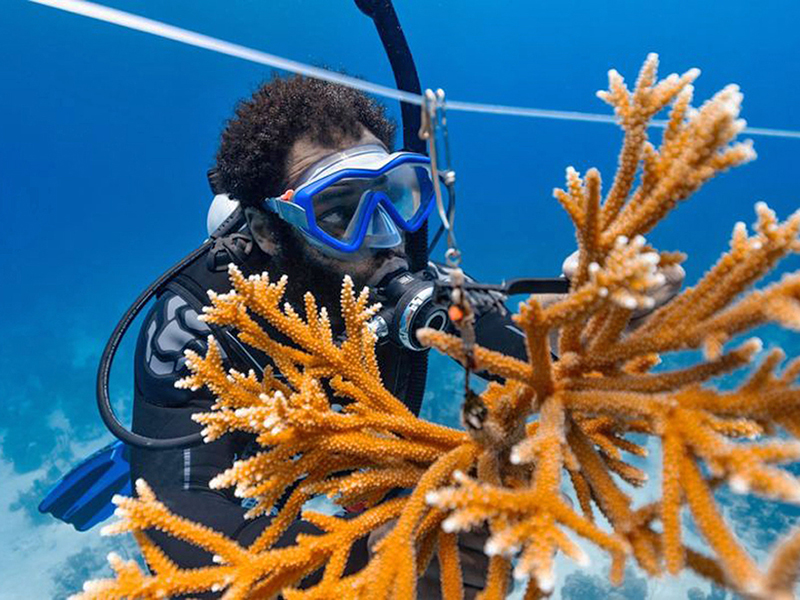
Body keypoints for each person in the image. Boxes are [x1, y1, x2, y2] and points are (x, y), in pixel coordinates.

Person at [129, 75, 684, 598]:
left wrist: (589, 321)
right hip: (243, 455)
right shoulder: (195, 323)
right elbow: (177, 528)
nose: (385, 232)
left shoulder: (403, 280)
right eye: (338, 212)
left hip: (353, 454)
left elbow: (519, 350)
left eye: (396, 194)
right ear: (270, 231)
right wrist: (379, 569)